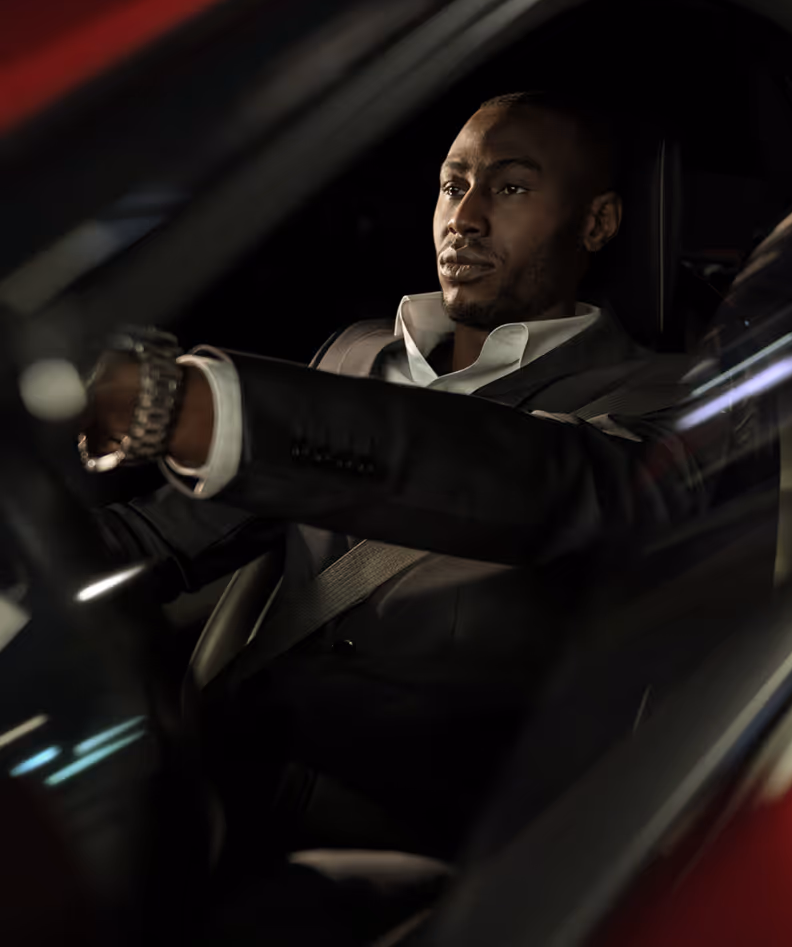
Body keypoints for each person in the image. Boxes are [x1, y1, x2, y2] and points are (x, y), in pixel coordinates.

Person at [84, 91, 702, 862]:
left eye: (509, 188)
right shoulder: (354, 355)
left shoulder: (664, 397)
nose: (465, 217)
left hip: (418, 850)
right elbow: (164, 538)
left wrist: (182, 405)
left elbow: (536, 483)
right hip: (218, 782)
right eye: (453, 184)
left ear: (599, 222)